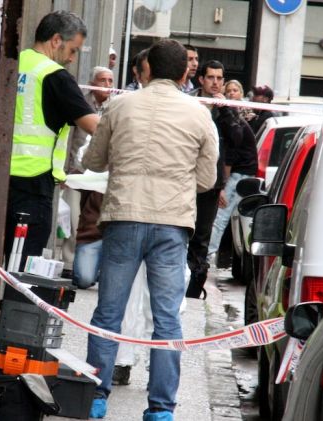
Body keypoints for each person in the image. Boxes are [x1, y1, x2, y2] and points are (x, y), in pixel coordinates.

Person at [82, 39, 218, 421]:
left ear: (146, 69)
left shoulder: (119, 104)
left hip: (124, 216)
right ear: (184, 72)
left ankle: (96, 395)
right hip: (171, 223)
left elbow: (94, 158)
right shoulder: (198, 114)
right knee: (167, 319)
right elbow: (207, 179)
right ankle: (160, 408)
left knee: (109, 312)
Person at [3, 11, 99, 297]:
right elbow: (93, 125)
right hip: (33, 184)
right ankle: (15, 335)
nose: (72, 58)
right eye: (72, 50)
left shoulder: (13, 63)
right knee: (24, 268)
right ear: (56, 40)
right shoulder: (54, 76)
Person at [186, 60, 241, 299]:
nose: (216, 82)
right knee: (182, 230)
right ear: (201, 79)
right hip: (185, 178)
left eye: (220, 78)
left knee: (202, 236)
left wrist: (225, 108)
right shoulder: (189, 101)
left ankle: (194, 285)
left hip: (211, 184)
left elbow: (236, 139)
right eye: (211, 78)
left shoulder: (224, 107)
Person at [61, 66, 114, 278]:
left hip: (103, 176)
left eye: (111, 81)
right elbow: (69, 138)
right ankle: (68, 264)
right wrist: (65, 171)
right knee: (74, 221)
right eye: (102, 80)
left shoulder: (115, 106)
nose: (107, 85)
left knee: (95, 221)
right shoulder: (80, 103)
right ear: (93, 83)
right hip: (78, 171)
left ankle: (91, 267)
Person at [206, 81, 257, 262]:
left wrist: (223, 185)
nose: (231, 94)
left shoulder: (230, 120)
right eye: (228, 91)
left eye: (235, 90)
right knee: (235, 218)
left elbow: (230, 155)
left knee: (221, 217)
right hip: (242, 172)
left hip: (239, 173)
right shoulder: (233, 116)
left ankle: (208, 255)